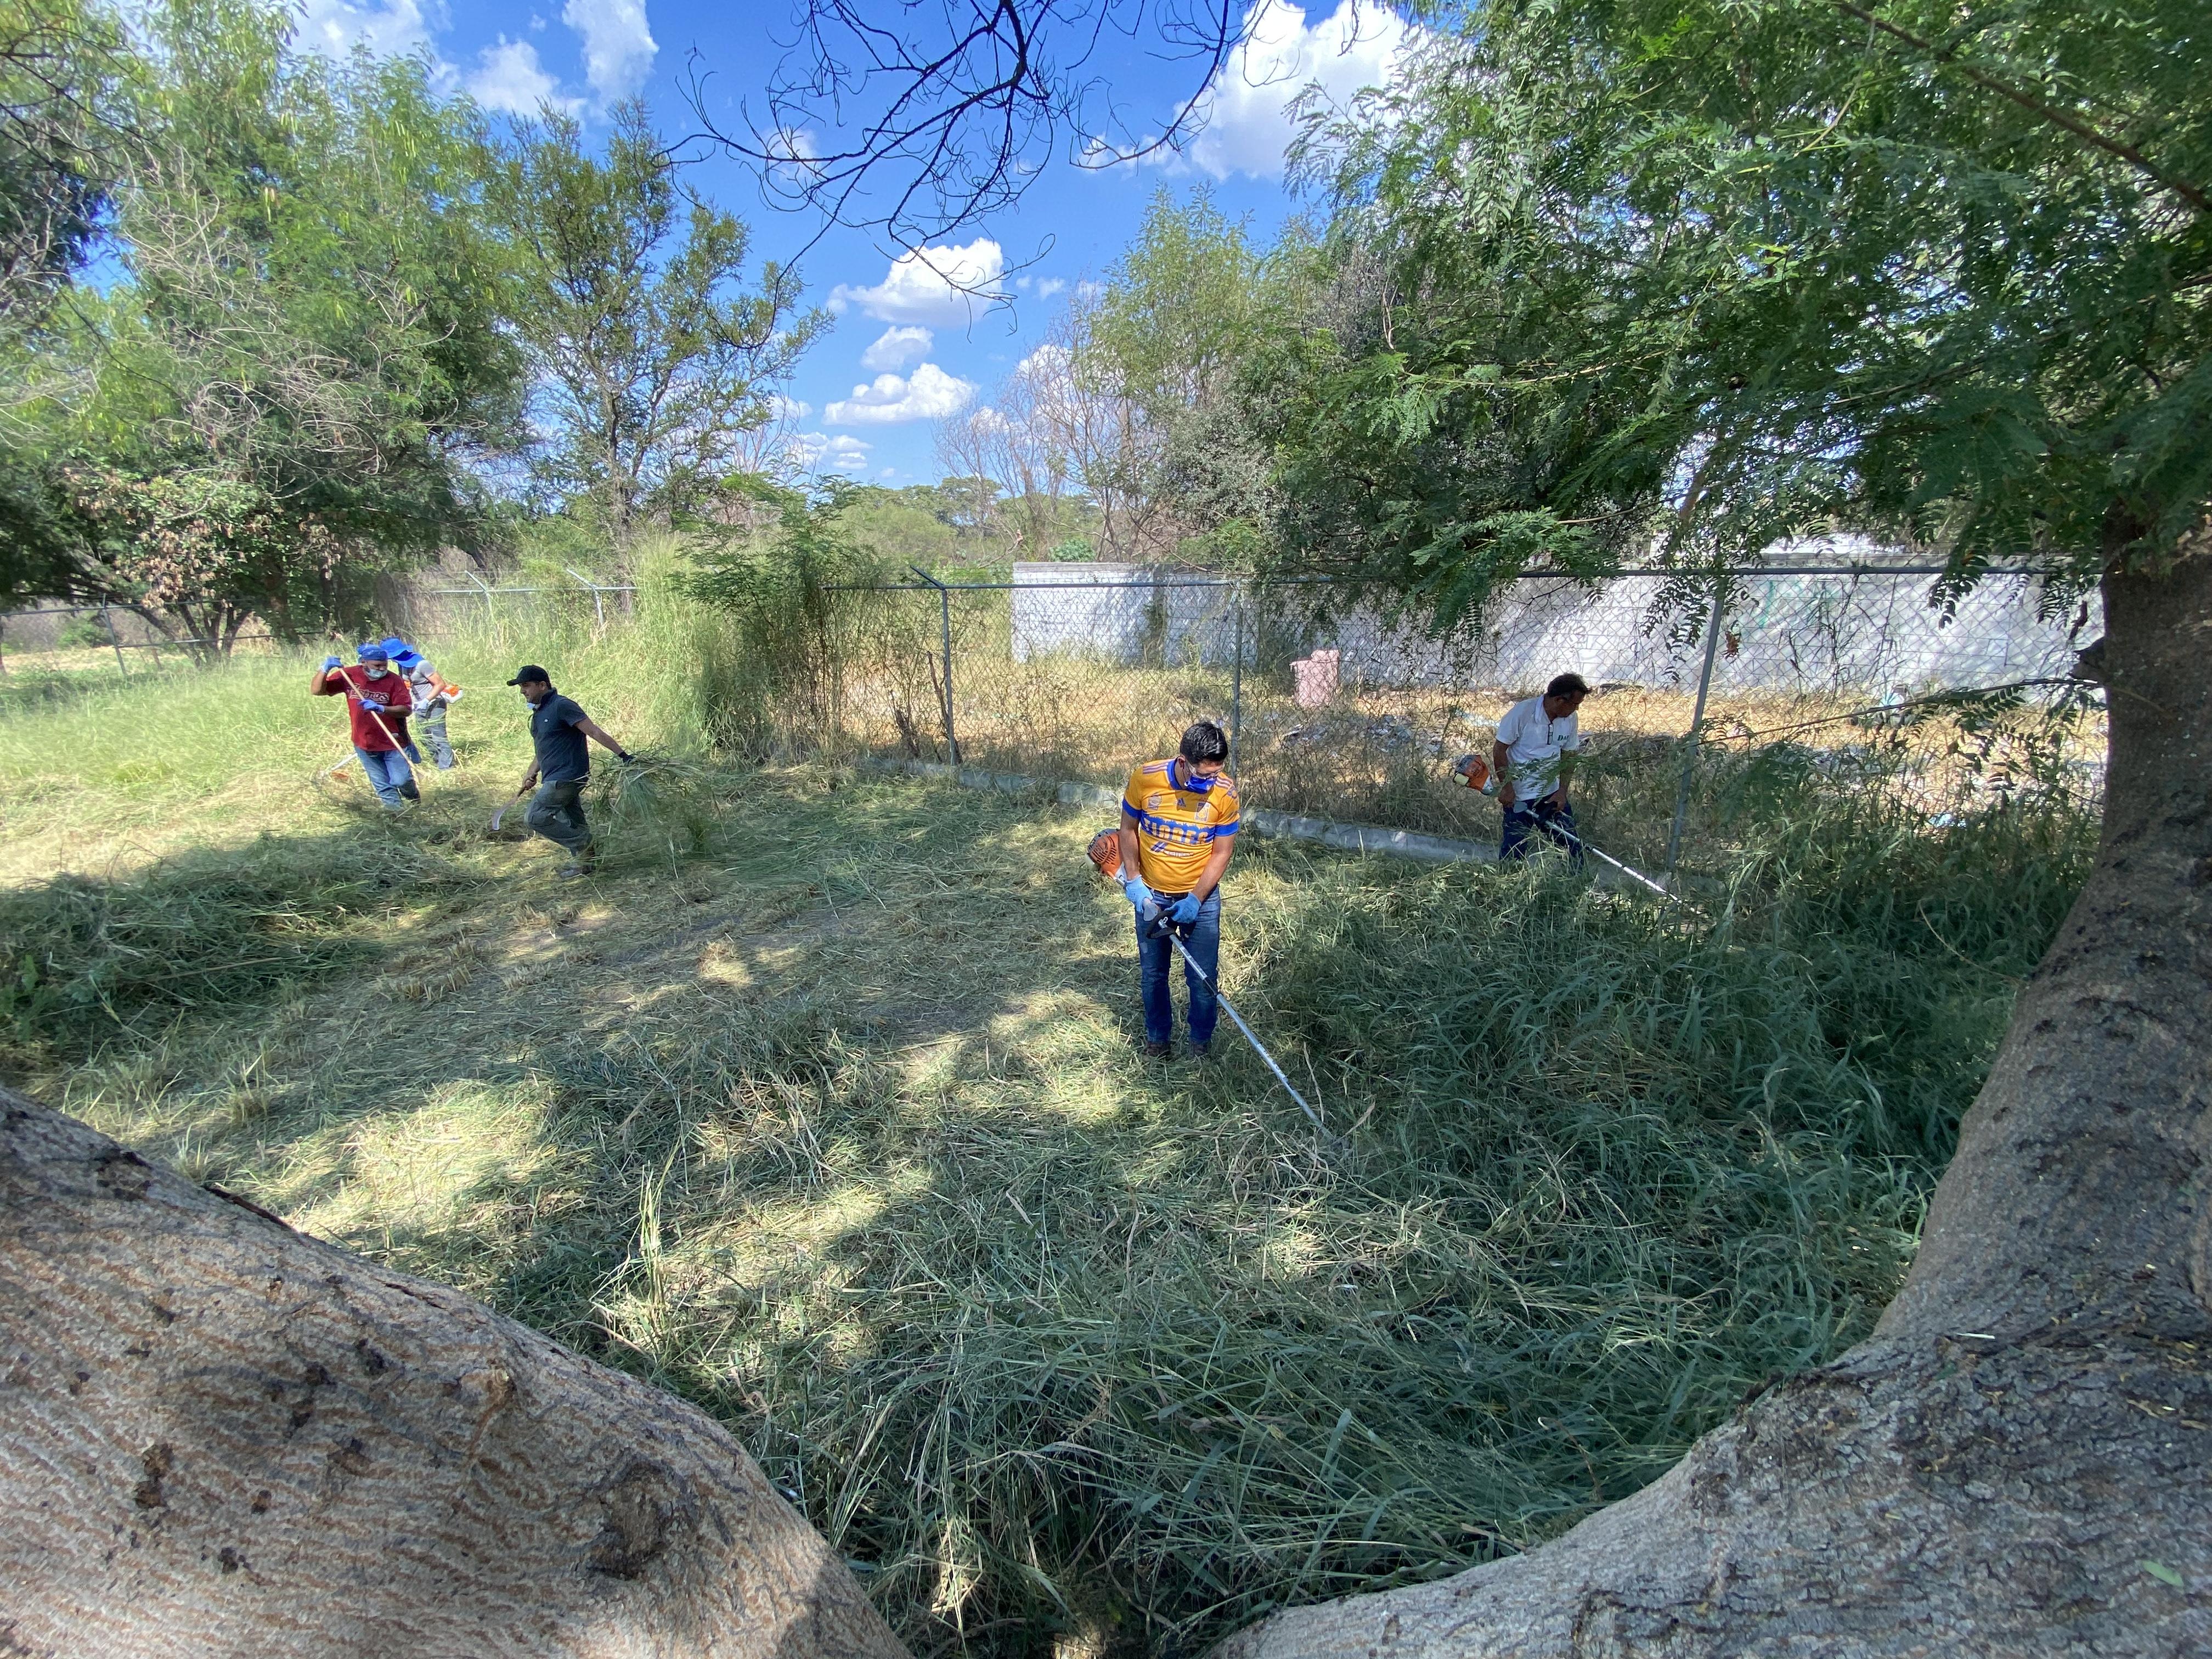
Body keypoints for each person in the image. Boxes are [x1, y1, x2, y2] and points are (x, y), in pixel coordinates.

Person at [1118, 720, 1240, 1059]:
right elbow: (1127, 830)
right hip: (1152, 895)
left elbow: (1222, 852)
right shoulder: (1146, 778)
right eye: (1203, 775)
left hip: (1200, 899)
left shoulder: (1225, 793)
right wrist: (1134, 881)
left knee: (1202, 978)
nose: (1209, 782)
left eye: (1216, 773)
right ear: (1183, 762)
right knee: (1153, 974)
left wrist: (1196, 899)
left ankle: (1200, 1044)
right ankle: (1158, 1040)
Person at [504, 664, 634, 877]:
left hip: (567, 777)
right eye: (521, 687)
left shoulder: (562, 706)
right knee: (574, 820)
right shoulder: (539, 713)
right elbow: (543, 749)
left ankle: (585, 843)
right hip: (554, 777)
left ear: (542, 685)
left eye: (526, 686)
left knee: (535, 817)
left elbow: (593, 731)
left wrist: (623, 755)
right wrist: (531, 773)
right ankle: (586, 866)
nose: (522, 691)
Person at [1493, 672, 1589, 862]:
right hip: (1520, 796)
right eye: (1575, 704)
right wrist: (1507, 787)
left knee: (1572, 847)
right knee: (1514, 851)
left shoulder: (1570, 719)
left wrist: (1562, 791)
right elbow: (1499, 749)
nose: (1577, 709)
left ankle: (1577, 878)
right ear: (1559, 700)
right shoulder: (1522, 713)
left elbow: (1569, 755)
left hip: (1551, 795)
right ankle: (1509, 877)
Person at [312, 642, 417, 810]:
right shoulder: (349, 676)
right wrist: (324, 669)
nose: (382, 669)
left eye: (384, 665)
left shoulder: (394, 681)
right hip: (364, 742)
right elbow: (317, 691)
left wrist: (382, 708)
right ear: (363, 663)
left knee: (402, 781)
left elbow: (406, 710)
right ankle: (398, 816)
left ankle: (415, 801)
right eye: (377, 666)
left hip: (393, 741)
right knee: (383, 785)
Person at [383, 636, 458, 770]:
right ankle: (438, 761)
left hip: (434, 703)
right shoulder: (402, 665)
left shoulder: (422, 664)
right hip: (418, 705)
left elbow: (440, 684)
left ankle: (447, 768)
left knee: (438, 735)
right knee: (424, 736)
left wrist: (426, 700)